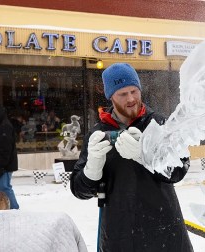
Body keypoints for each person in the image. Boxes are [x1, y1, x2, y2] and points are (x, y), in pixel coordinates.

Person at [70, 63, 193, 252]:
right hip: (120, 236)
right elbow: (79, 190)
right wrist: (91, 169)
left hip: (164, 233)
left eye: (134, 91)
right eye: (122, 94)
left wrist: (145, 156)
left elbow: (179, 169)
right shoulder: (99, 133)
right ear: (111, 96)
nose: (131, 99)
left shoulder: (159, 124)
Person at [0, 107, 20, 209]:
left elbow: (5, 149)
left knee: (4, 187)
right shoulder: (1, 124)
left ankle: (15, 209)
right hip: (3, 163)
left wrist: (1, 166)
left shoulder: (4, 126)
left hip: (6, 165)